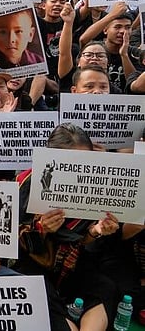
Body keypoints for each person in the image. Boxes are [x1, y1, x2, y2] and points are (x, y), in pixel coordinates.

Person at [15, 124, 140, 331]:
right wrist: (41, 228)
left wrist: (97, 231)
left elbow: (85, 240)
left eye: (83, 161)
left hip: (72, 264)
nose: (76, 169)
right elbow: (12, 239)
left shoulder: (98, 186)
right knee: (39, 295)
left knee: (105, 288)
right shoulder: (26, 182)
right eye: (69, 163)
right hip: (32, 264)